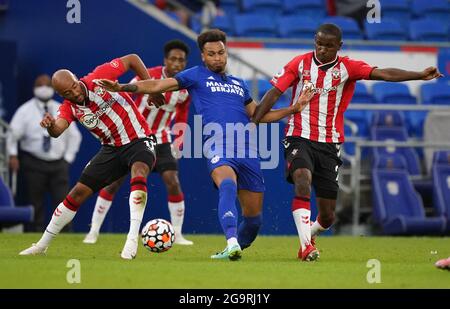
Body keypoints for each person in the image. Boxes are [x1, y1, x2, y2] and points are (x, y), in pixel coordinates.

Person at [96, 29, 314, 261]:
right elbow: (158, 85)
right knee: (227, 185)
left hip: (248, 150)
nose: (217, 58)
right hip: (217, 146)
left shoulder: (239, 84)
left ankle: (232, 248)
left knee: (253, 221)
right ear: (203, 56)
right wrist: (123, 88)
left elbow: (257, 116)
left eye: (221, 53)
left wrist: (293, 108)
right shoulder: (195, 76)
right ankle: (231, 242)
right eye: (211, 54)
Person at [252, 23, 443, 261]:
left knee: (328, 216)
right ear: (315, 42)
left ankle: (310, 234)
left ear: (339, 46)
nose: (322, 50)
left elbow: (383, 74)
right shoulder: (299, 64)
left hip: (329, 144)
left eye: (329, 46)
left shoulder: (347, 67)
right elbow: (274, 92)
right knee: (302, 177)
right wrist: (256, 118)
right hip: (298, 135)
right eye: (319, 44)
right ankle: (305, 247)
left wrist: (419, 75)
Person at [19, 54, 160, 260]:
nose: (75, 93)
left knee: (139, 173)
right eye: (67, 93)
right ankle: (42, 244)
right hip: (111, 149)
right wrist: (50, 127)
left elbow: (132, 59)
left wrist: (149, 88)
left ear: (77, 79)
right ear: (61, 95)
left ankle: (131, 238)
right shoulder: (69, 108)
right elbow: (58, 129)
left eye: (75, 86)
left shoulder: (99, 76)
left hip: (139, 138)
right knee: (77, 194)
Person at [83, 40, 194, 245]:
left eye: (181, 60)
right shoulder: (147, 76)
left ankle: (177, 234)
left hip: (161, 139)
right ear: (165, 60)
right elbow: (125, 97)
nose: (177, 63)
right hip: (133, 136)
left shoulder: (184, 88)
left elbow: (182, 115)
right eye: (173, 59)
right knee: (113, 183)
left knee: (172, 181)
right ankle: (94, 231)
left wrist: (179, 140)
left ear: (185, 62)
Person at [7, 74, 82, 232]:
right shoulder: (25, 111)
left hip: (58, 164)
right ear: (34, 88)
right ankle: (36, 232)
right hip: (34, 162)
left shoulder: (61, 108)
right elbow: (13, 134)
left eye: (48, 85)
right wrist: (12, 155)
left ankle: (64, 234)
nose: (44, 88)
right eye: (40, 85)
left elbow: (75, 136)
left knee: (63, 201)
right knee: (35, 201)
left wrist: (67, 159)